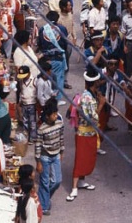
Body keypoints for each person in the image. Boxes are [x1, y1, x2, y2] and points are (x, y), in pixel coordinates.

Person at [67, 70, 104, 202]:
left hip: (90, 133)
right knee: (80, 159)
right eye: (98, 81)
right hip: (84, 133)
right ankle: (74, 187)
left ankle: (81, 182)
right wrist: (101, 105)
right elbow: (92, 118)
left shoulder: (91, 94)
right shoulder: (87, 98)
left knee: (88, 158)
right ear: (94, 83)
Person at [35, 97, 65, 215]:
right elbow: (37, 146)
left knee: (57, 181)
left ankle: (44, 199)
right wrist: (38, 162)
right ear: (47, 116)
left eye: (56, 113)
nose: (56, 116)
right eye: (53, 114)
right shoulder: (41, 129)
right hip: (45, 157)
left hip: (56, 155)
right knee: (45, 182)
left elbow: (61, 138)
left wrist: (62, 151)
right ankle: (44, 207)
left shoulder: (59, 123)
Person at [17, 65, 38, 144]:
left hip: (32, 104)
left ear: (29, 73)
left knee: (32, 122)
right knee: (25, 121)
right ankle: (26, 136)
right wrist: (20, 101)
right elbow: (21, 91)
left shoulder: (34, 80)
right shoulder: (21, 81)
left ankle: (33, 137)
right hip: (24, 103)